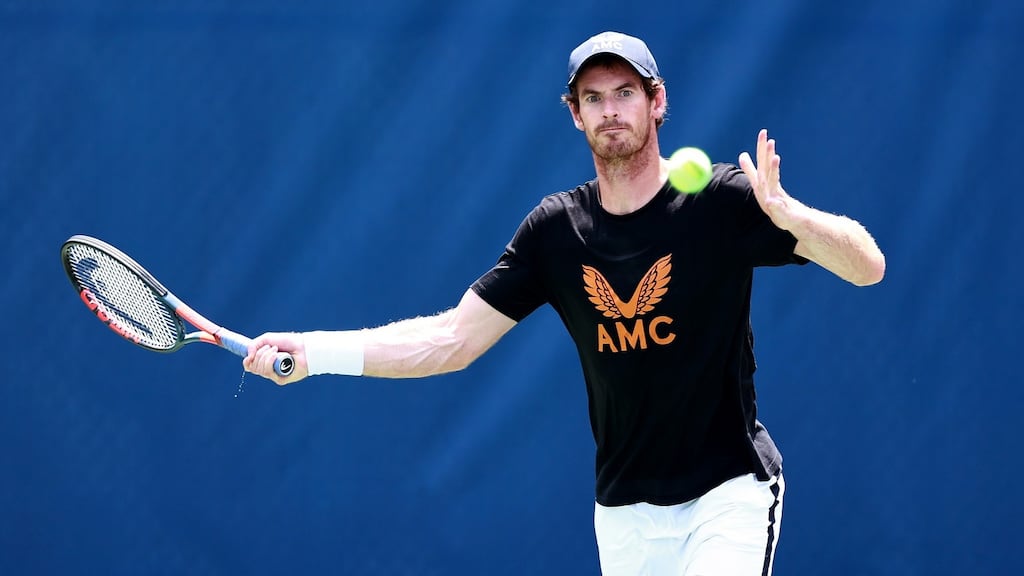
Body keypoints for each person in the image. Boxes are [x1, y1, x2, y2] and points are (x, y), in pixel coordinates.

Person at [244, 31, 885, 576]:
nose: (611, 111)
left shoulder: (721, 202)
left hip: (729, 493)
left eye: (626, 93)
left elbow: (868, 267)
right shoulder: (556, 232)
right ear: (574, 113)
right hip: (625, 510)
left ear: (657, 103)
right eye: (594, 98)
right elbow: (450, 340)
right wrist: (313, 352)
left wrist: (790, 213)